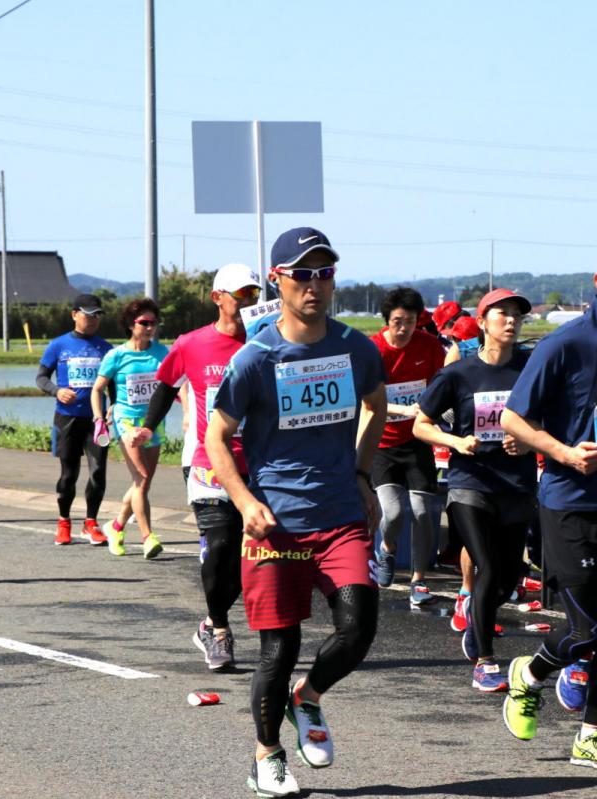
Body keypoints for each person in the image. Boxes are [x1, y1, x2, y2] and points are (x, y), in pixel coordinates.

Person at [205, 227, 386, 797]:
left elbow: (375, 407)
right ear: (279, 279)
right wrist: (244, 500)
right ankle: (266, 758)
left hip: (338, 516)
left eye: (325, 272)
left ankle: (306, 697)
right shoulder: (256, 358)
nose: (315, 284)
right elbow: (217, 435)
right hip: (275, 522)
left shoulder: (356, 347)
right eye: (302, 273)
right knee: (277, 648)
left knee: (358, 627)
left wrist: (361, 474)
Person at [498, 238, 597, 772]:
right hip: (571, 501)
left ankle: (590, 732)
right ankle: (531, 673)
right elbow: (513, 420)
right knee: (589, 626)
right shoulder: (563, 345)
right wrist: (565, 452)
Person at [137, 263, 262, 671]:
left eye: (254, 295)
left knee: (250, 559)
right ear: (218, 298)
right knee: (221, 546)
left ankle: (209, 621)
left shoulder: (267, 343)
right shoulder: (192, 344)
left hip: (259, 466)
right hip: (208, 463)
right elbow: (165, 387)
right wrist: (146, 427)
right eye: (241, 294)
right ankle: (221, 630)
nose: (249, 302)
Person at [414, 288, 536, 693]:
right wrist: (455, 442)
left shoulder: (531, 368)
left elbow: (548, 419)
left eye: (517, 314)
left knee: (507, 579)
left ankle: (477, 616)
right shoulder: (459, 374)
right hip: (470, 484)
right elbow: (421, 424)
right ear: (482, 322)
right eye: (502, 314)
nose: (511, 321)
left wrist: (529, 441)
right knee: (487, 566)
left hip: (516, 484)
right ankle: (485, 661)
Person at [370, 287, 445, 605]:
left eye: (411, 322)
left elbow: (442, 387)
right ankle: (386, 549)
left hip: (417, 440)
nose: (404, 328)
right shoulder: (373, 350)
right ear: (387, 321)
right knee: (395, 511)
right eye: (398, 321)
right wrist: (405, 409)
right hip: (382, 443)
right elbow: (368, 402)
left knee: (423, 513)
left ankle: (419, 579)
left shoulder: (429, 347)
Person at [92, 297, 168, 559]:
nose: (150, 327)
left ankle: (115, 527)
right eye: (144, 322)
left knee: (142, 484)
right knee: (142, 478)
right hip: (126, 421)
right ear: (130, 324)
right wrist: (98, 417)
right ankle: (148, 536)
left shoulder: (162, 353)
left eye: (154, 323)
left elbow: (175, 386)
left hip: (153, 423)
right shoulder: (117, 355)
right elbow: (97, 389)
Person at [37, 294, 113, 546]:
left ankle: (90, 523)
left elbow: (112, 385)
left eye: (97, 315)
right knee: (69, 475)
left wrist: (113, 407)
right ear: (74, 315)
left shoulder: (106, 348)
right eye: (87, 315)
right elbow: (41, 378)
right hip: (67, 419)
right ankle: (64, 521)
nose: (92, 320)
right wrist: (56, 390)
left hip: (96, 420)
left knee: (98, 472)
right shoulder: (58, 345)